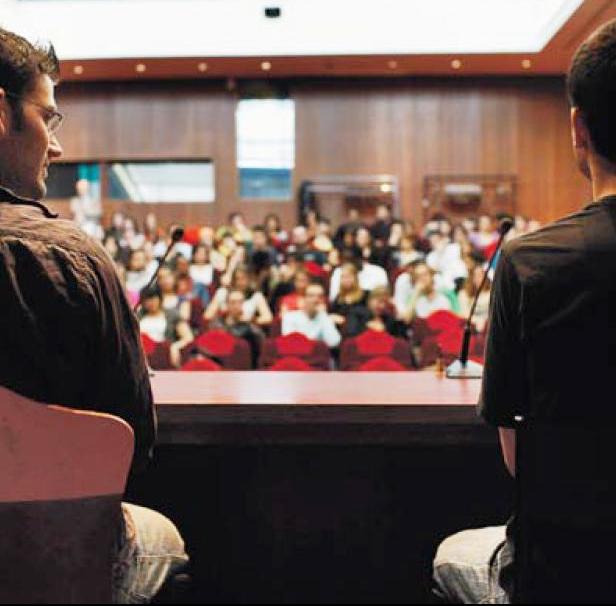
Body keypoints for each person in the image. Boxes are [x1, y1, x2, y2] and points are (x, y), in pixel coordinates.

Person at [0, 27, 187, 603]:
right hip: (44, 572)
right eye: (48, 119)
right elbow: (133, 447)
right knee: (161, 537)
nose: (55, 146)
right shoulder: (64, 258)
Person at [433, 18, 616, 603]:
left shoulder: (532, 263)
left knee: (453, 555)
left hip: (566, 572)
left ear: (577, 127)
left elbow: (521, 459)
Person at [282, 282, 341, 348]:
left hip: (318, 356)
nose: (316, 300)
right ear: (304, 298)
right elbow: (290, 343)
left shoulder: (324, 318)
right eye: (311, 296)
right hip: (297, 355)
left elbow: (334, 342)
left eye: (320, 296)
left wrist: (323, 315)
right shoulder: (290, 317)